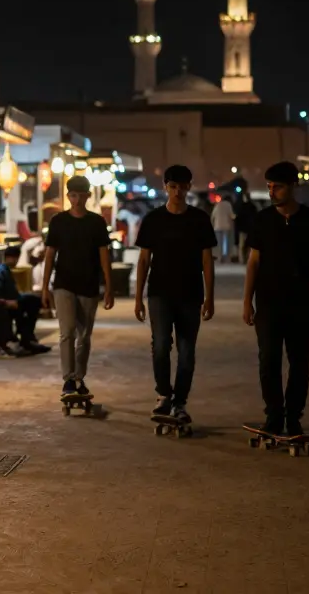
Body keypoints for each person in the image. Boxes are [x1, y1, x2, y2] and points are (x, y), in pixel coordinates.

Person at [243, 162, 309, 438]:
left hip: (301, 304)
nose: (272, 192)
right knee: (268, 361)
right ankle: (273, 417)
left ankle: (293, 418)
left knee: (299, 363)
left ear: (293, 186)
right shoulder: (263, 220)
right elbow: (253, 262)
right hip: (268, 304)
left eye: (278, 186)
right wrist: (247, 300)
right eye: (269, 186)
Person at [132, 165, 217, 424]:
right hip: (159, 293)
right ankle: (163, 395)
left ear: (189, 187)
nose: (178, 191)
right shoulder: (154, 219)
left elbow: (207, 260)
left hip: (191, 293)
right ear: (165, 187)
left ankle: (180, 401)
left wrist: (210, 296)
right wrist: (138, 297)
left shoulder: (199, 219)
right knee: (160, 346)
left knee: (187, 352)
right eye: (173, 186)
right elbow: (144, 259)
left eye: (182, 186)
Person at [41, 175, 115, 400]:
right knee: (67, 332)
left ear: (88, 196)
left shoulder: (96, 222)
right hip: (63, 283)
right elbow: (50, 253)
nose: (77, 200)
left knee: (84, 335)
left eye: (81, 195)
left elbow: (104, 254)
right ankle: (68, 380)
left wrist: (109, 285)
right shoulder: (58, 221)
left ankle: (79, 378)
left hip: (89, 284)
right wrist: (45, 287)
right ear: (68, 196)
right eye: (73, 195)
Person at [0, 248, 50, 353]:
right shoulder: (0, 271)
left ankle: (27, 337)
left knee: (33, 300)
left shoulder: (3, 270)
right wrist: (8, 302)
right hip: (3, 304)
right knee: (31, 304)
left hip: (9, 301)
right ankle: (27, 338)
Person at [211, 194, 235, 263]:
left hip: (217, 226)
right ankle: (226, 258)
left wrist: (213, 225)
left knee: (219, 243)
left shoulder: (217, 205)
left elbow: (212, 216)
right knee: (226, 243)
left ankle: (219, 257)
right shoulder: (228, 205)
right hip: (226, 226)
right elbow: (231, 215)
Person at [235, 193, 258, 262]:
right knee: (250, 245)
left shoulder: (241, 206)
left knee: (241, 245)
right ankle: (249, 258)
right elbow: (256, 218)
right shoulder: (253, 207)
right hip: (251, 229)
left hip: (243, 229)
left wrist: (238, 228)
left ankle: (242, 259)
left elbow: (238, 218)